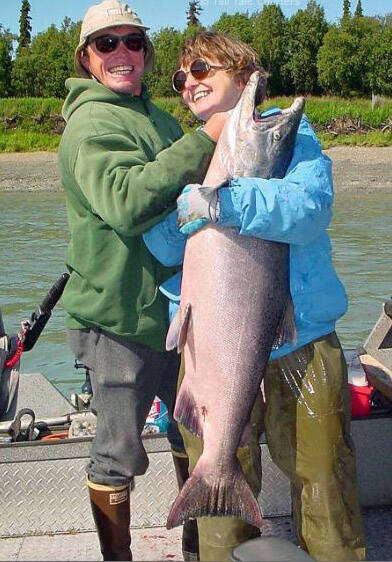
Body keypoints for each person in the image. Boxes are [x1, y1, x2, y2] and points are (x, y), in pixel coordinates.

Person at [143, 31, 367, 561]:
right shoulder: (187, 152)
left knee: (324, 482)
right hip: (211, 353)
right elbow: (158, 241)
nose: (189, 83)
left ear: (243, 78)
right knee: (220, 508)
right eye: (181, 78)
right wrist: (189, 206)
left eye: (202, 70)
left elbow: (309, 207)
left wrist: (226, 200)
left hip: (302, 341)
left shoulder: (287, 137)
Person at [58, 2, 228, 560]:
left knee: (192, 436)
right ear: (87, 57)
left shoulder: (156, 118)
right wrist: (206, 139)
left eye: (133, 41)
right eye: (106, 44)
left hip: (176, 314)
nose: (122, 53)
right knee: (117, 454)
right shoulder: (90, 122)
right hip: (116, 321)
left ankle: (199, 546)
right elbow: (127, 203)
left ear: (145, 52)